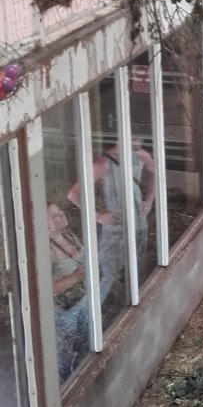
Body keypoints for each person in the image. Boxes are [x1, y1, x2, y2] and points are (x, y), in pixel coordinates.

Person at [67, 139, 156, 313]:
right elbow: (73, 194)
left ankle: (134, 303)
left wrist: (150, 200)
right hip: (115, 228)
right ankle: (98, 312)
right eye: (133, 138)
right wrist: (97, 215)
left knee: (137, 264)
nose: (138, 141)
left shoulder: (141, 156)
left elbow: (157, 173)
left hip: (139, 224)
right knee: (109, 273)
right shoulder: (103, 164)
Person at [48, 202, 88, 382]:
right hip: (64, 311)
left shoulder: (68, 234)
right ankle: (66, 386)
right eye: (53, 215)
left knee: (85, 342)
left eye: (59, 211)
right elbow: (46, 290)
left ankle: (84, 375)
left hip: (83, 300)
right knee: (63, 350)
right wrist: (76, 276)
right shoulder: (45, 250)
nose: (61, 215)